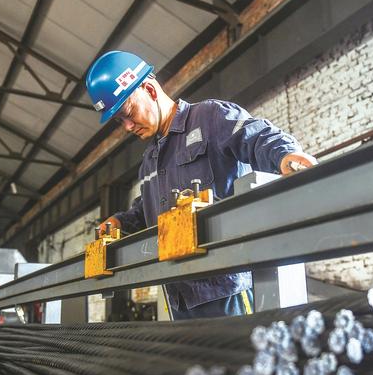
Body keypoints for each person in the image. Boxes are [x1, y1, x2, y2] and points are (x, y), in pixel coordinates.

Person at [86, 51, 316, 320]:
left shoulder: (209, 118)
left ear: (149, 89)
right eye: (119, 120)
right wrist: (120, 222)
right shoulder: (149, 161)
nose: (127, 127)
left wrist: (286, 156)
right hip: (179, 298)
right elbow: (144, 210)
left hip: (227, 288)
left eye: (128, 113)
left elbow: (257, 136)